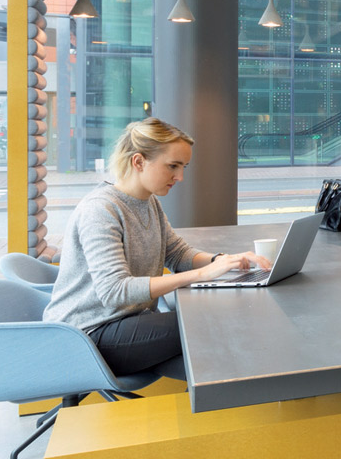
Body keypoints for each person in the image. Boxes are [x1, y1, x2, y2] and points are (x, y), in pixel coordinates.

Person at [44, 119, 271, 379]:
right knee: (210, 323)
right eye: (172, 166)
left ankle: (220, 406)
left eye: (184, 167)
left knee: (213, 355)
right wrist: (202, 275)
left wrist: (225, 260)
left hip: (127, 322)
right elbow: (114, 291)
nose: (180, 177)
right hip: (87, 335)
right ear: (138, 161)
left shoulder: (148, 201)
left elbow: (176, 254)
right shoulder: (100, 210)